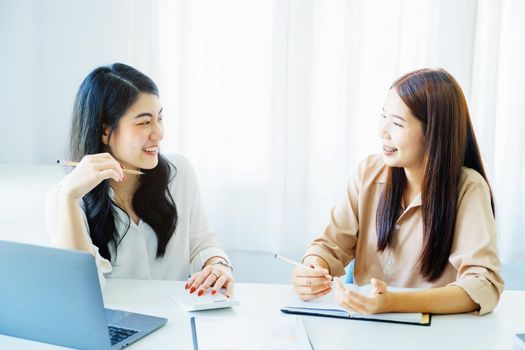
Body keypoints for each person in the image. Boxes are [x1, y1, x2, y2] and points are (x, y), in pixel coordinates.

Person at [291, 68, 504, 315]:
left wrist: (394, 303)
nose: (382, 130)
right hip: (364, 330)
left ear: (432, 134)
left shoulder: (468, 189)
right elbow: (329, 245)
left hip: (433, 336)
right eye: (383, 116)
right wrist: (313, 267)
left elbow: (483, 285)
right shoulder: (369, 172)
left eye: (397, 123)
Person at [46, 63, 234, 297]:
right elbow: (77, 292)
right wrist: (70, 198)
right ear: (105, 131)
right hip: (113, 326)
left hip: (175, 321)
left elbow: (202, 244)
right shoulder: (64, 197)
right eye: (144, 122)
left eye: (160, 118)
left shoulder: (180, 172)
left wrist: (217, 265)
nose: (159, 133)